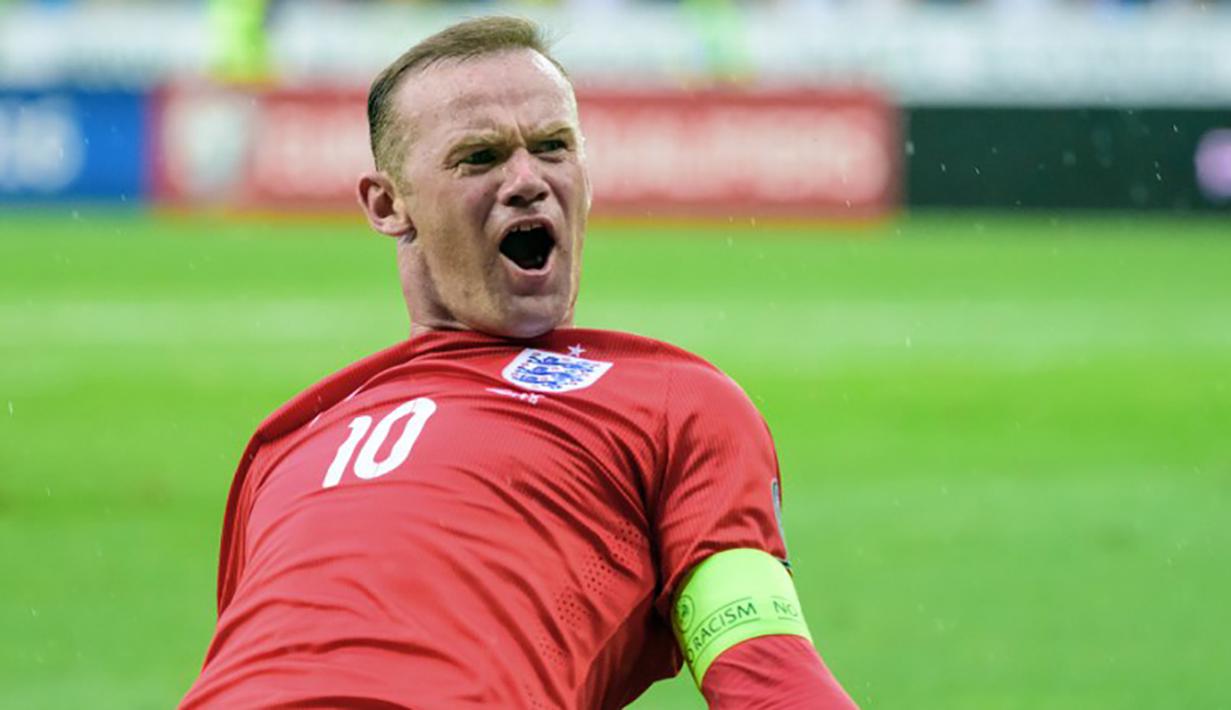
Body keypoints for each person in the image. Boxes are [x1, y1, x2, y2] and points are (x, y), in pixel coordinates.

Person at [181, 16, 856, 709]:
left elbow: (761, 664)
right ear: (387, 203)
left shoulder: (672, 402)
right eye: (480, 157)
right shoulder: (284, 440)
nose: (528, 179)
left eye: (553, 146)